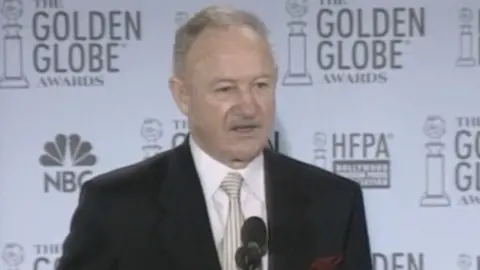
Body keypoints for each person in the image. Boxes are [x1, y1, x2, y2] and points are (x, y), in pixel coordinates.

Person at [57, 5, 373, 270]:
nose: (249, 107)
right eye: (226, 88)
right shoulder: (117, 208)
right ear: (182, 95)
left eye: (261, 85)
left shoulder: (334, 202)